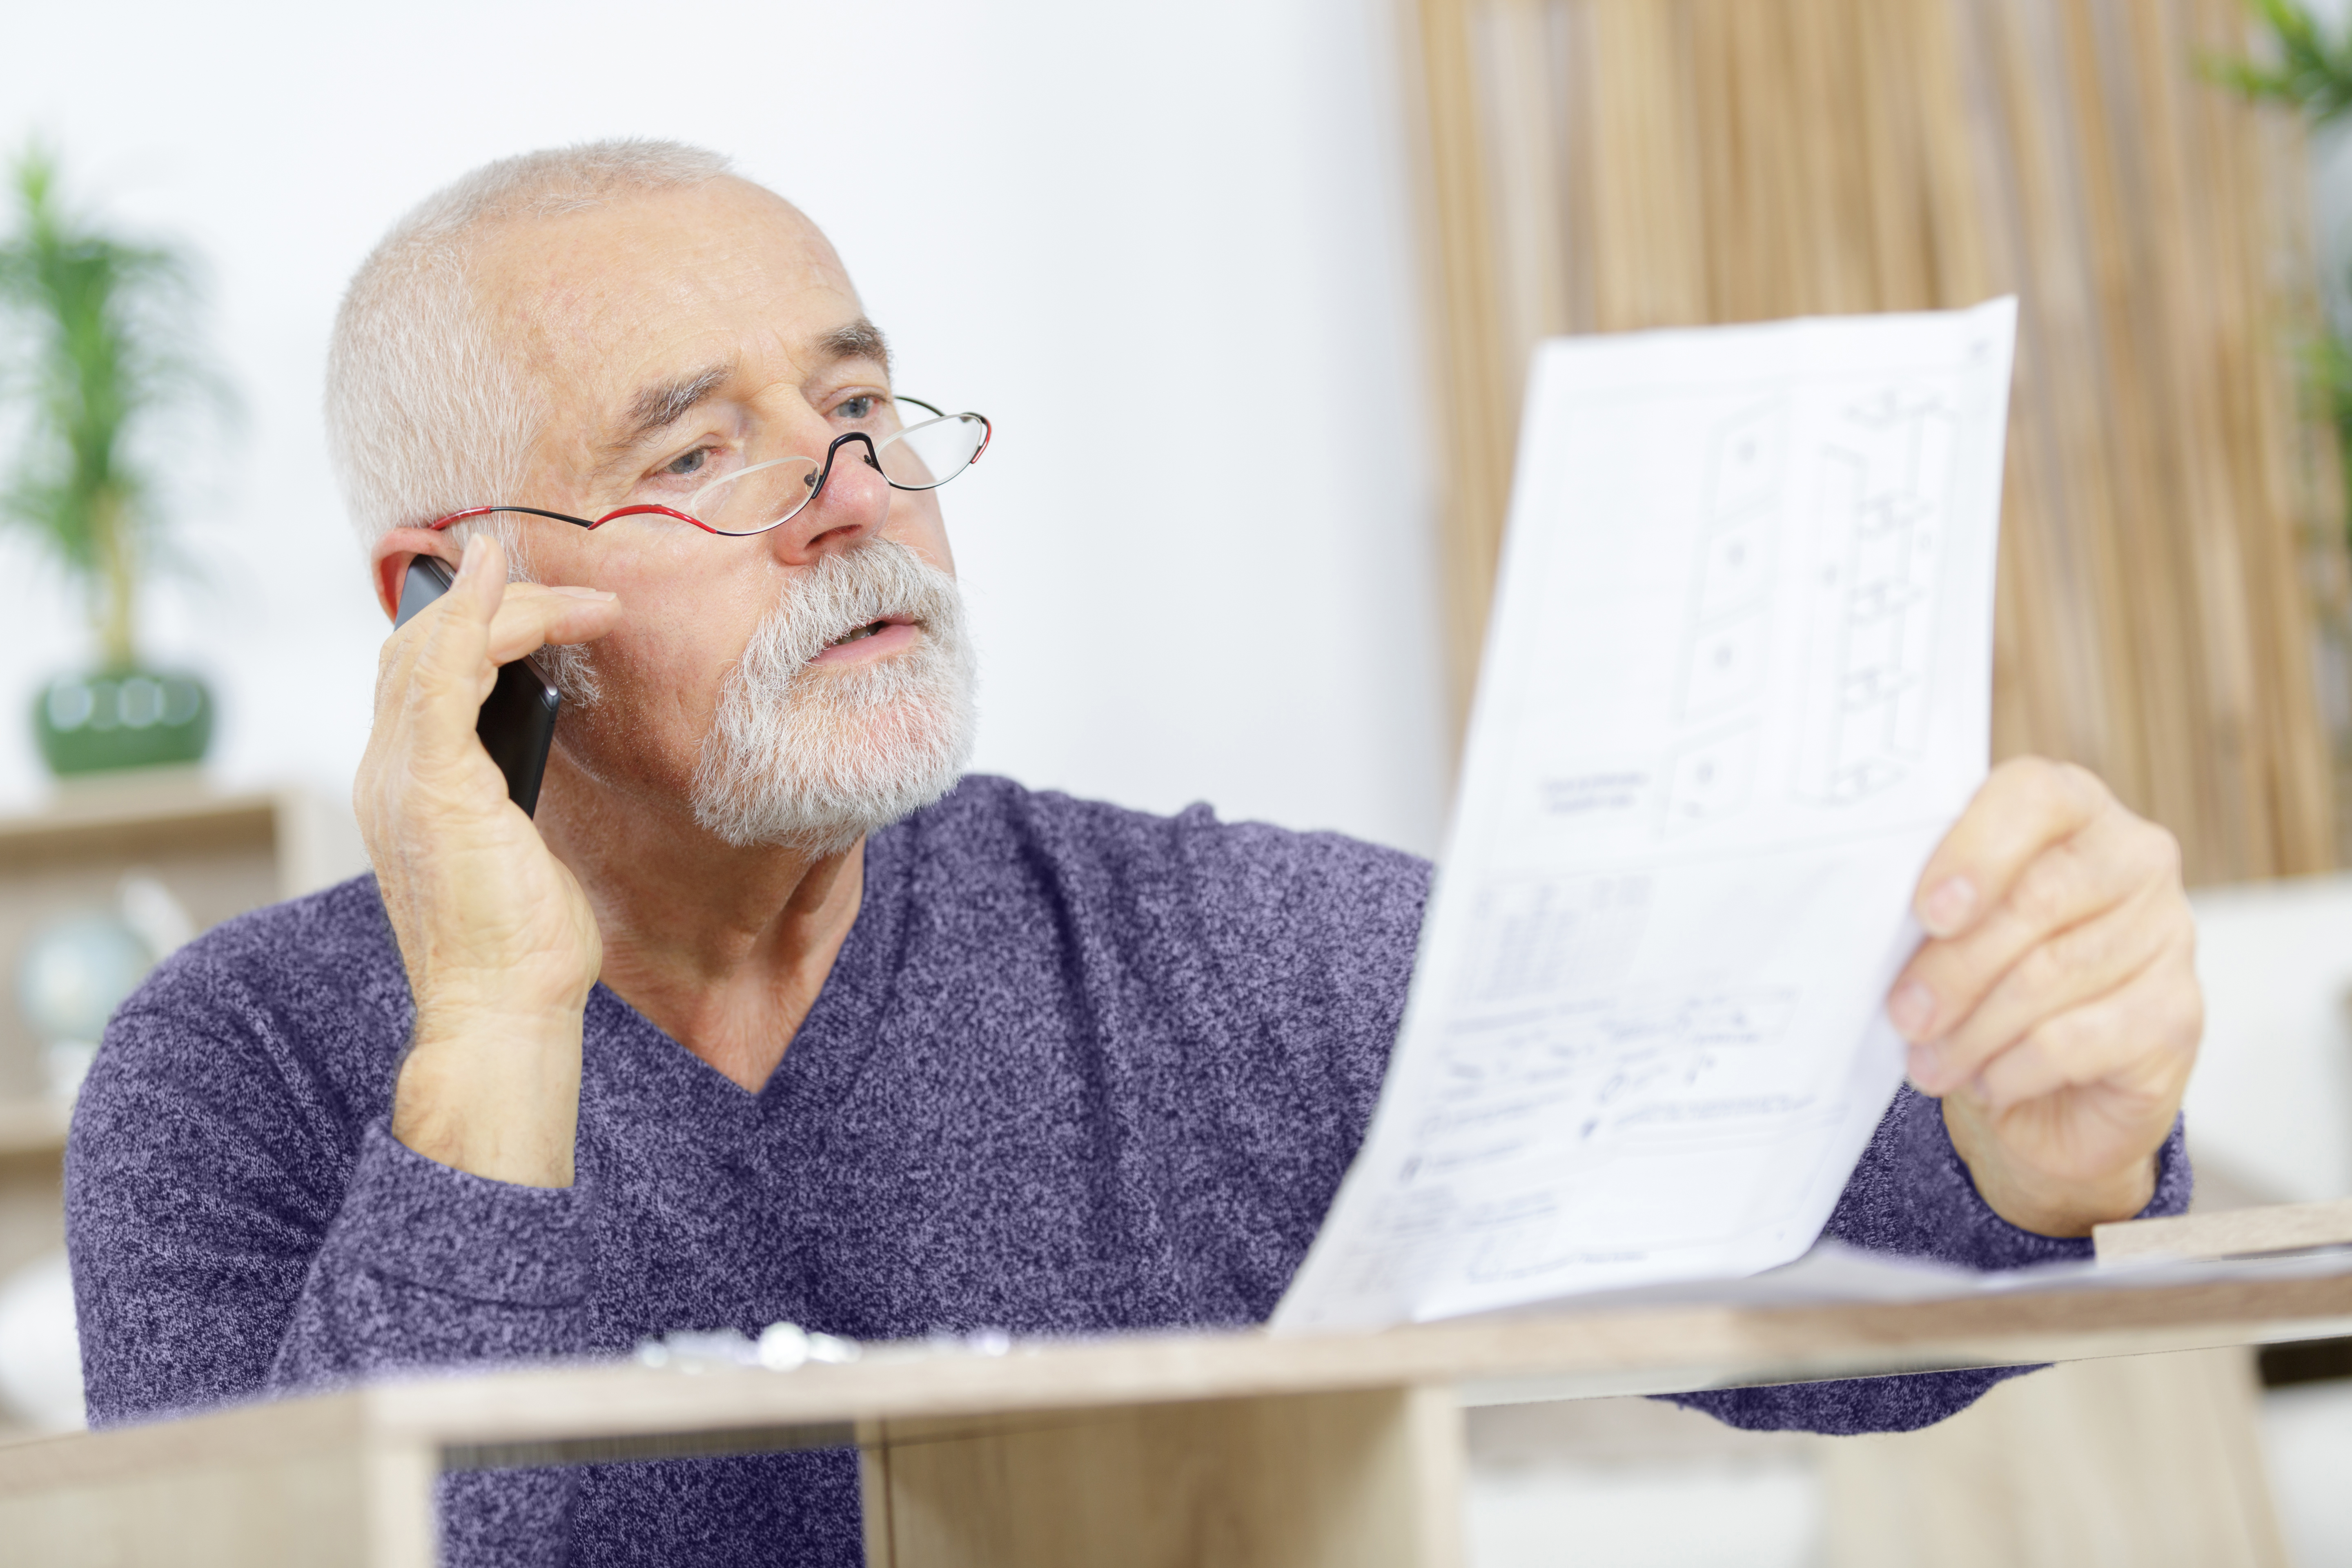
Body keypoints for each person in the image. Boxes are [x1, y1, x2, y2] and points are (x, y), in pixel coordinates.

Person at [65, 141, 2201, 1567]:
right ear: (450, 601)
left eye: (867, 415)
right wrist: (497, 1022)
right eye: (698, 451)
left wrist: (2045, 1127)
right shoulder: (226, 1070)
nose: (854, 501)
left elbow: (1870, 1289)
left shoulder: (1215, 959)